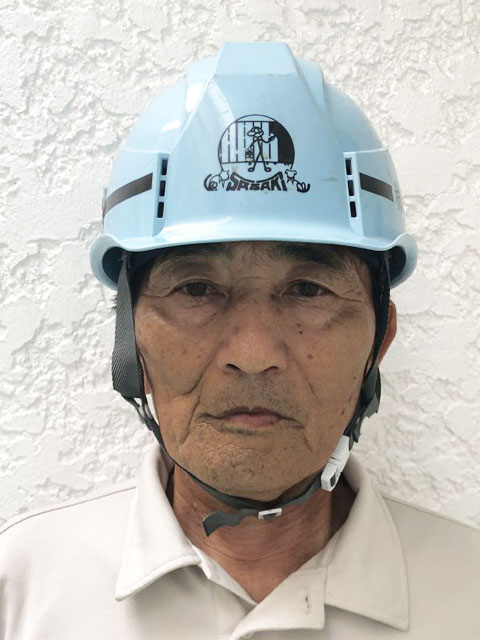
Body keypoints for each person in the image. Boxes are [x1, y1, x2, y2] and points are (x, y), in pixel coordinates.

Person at [1, 41, 479, 639]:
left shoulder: (468, 595)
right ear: (131, 336)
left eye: (308, 290)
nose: (252, 357)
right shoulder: (23, 592)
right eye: (197, 289)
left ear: (380, 339)